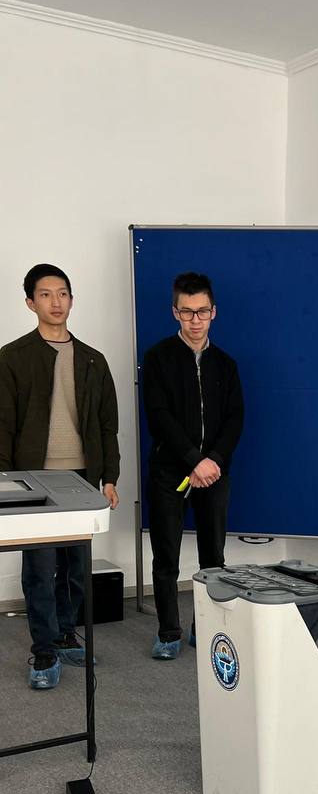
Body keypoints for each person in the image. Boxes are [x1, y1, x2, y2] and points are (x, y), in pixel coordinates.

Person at [0, 264, 120, 689]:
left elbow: (107, 425)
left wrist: (109, 477)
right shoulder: (13, 357)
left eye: (63, 293)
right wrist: (5, 483)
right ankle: (44, 651)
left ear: (71, 299)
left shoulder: (93, 359)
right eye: (46, 294)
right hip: (33, 478)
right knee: (40, 567)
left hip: (82, 477)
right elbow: (3, 425)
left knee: (75, 565)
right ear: (30, 302)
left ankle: (67, 634)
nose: (56, 302)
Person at [142, 271, 244, 659]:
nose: (195, 320)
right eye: (187, 312)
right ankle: (169, 632)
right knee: (166, 556)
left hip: (214, 473)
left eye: (202, 311)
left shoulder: (226, 364)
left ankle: (208, 627)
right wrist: (193, 460)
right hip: (171, 472)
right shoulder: (157, 358)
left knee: (213, 557)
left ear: (214, 311)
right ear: (175, 312)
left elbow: (235, 418)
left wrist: (212, 460)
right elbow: (159, 417)